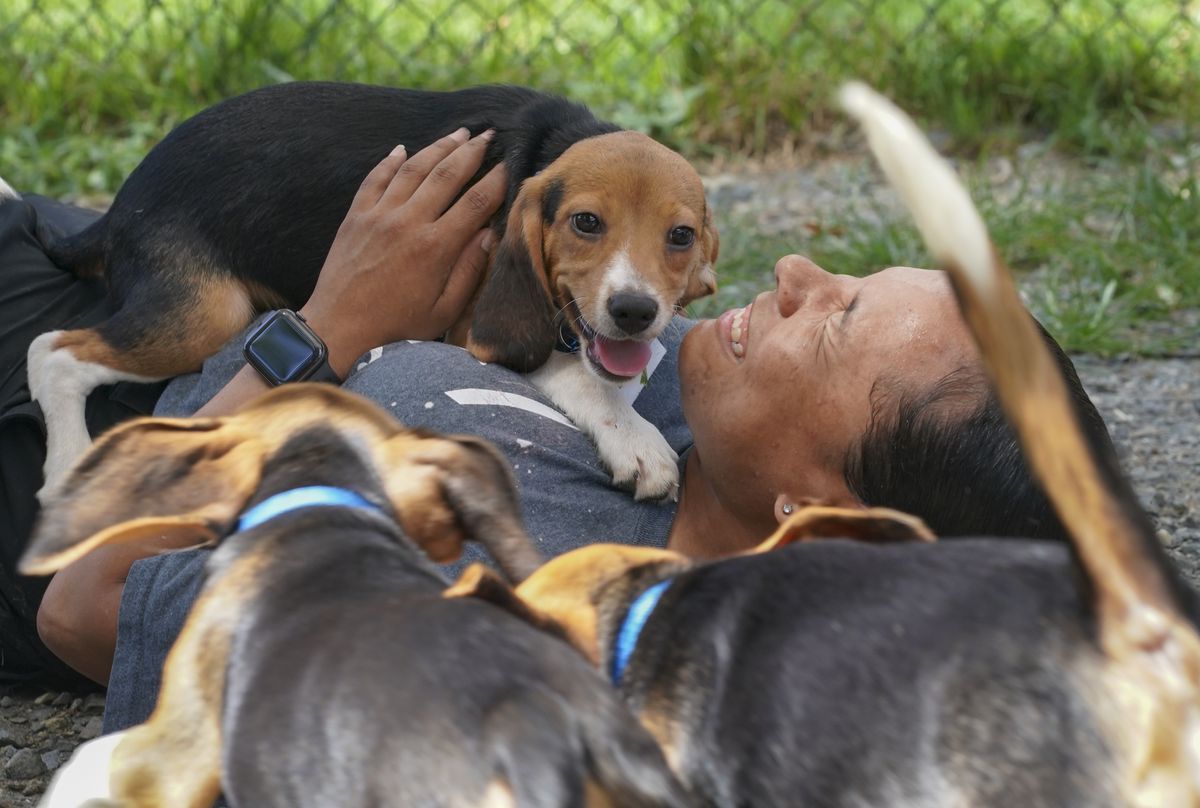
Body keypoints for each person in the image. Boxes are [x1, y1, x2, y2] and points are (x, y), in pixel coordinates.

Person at [1, 128, 1112, 728]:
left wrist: (323, 335)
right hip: (162, 277)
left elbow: (83, 603)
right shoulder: (682, 394)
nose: (792, 271)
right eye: (840, 272)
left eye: (831, 324)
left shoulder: (517, 601)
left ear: (818, 520)